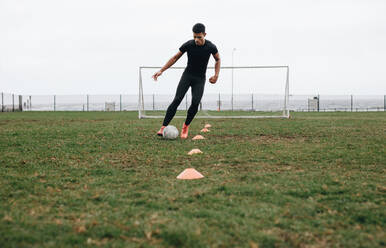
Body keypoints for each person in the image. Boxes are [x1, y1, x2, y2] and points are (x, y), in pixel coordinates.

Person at [152, 23, 221, 138]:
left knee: (195, 103)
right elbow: (175, 58)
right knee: (177, 99)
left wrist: (216, 75)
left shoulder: (211, 47)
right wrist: (161, 70)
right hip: (187, 76)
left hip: (199, 79)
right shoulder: (189, 45)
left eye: (199, 37)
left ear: (204, 34)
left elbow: (217, 59)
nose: (196, 39)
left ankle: (186, 126)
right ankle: (163, 127)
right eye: (194, 37)